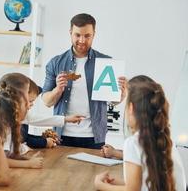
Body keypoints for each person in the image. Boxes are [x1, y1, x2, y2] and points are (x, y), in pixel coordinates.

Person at [42, 13, 127, 149]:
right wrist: (57, 90)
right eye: (77, 35)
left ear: (94, 34)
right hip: (61, 135)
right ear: (70, 33)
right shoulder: (55, 62)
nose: (82, 40)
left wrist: (121, 95)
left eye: (87, 36)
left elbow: (113, 101)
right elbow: (46, 101)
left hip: (94, 137)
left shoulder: (106, 63)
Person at [94, 75, 186, 191]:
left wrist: (101, 185)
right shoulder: (164, 138)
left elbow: (132, 190)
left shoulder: (133, 143)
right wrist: (118, 183)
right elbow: (142, 183)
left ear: (131, 108)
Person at [0, 73, 44, 168]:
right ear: (15, 108)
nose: (29, 105)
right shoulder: (3, 128)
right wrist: (28, 164)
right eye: (26, 94)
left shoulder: (11, 124)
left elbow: (11, 151)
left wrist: (25, 151)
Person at [22, 79, 85, 148]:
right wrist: (44, 142)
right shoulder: (13, 119)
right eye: (30, 101)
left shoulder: (23, 115)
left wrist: (66, 119)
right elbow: (24, 140)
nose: (32, 104)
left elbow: (42, 119)